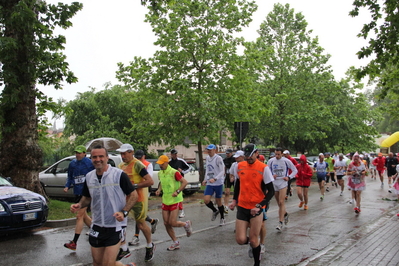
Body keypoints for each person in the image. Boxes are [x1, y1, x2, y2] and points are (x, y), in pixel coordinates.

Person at [70, 145, 138, 266]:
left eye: (101, 156)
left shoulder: (119, 175)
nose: (98, 159)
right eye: (95, 157)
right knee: (97, 262)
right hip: (96, 225)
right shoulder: (89, 177)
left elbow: (133, 195)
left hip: (115, 225)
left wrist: (124, 212)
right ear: (91, 159)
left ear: (107, 157)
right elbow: (87, 197)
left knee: (107, 264)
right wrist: (79, 205)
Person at [228, 144, 274, 266]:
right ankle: (254, 246)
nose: (248, 158)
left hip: (256, 208)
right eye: (246, 156)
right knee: (240, 239)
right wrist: (234, 200)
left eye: (250, 156)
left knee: (254, 240)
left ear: (256, 153)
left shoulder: (264, 168)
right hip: (242, 206)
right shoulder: (239, 166)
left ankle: (256, 261)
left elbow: (271, 191)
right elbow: (238, 185)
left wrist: (259, 206)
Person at [116, 144, 155, 262]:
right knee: (120, 222)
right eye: (121, 154)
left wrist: (134, 186)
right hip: (125, 199)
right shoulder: (120, 166)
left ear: (131, 152)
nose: (122, 156)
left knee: (141, 224)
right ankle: (123, 248)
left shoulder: (138, 164)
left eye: (125, 154)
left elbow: (150, 181)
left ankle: (150, 245)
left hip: (138, 199)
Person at [155, 155, 193, 251]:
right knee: (166, 223)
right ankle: (175, 242)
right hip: (166, 200)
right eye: (159, 164)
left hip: (175, 200)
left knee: (172, 222)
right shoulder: (160, 173)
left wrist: (178, 191)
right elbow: (161, 183)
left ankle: (186, 225)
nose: (160, 166)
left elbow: (184, 182)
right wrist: (159, 189)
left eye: (162, 164)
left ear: (167, 162)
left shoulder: (174, 172)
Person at [64, 145, 95, 251]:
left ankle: (74, 242)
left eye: (80, 152)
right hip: (77, 192)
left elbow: (96, 174)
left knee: (79, 216)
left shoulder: (89, 163)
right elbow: (70, 176)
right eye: (76, 152)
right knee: (84, 216)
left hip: (87, 193)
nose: (78, 154)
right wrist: (67, 186)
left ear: (85, 153)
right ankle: (97, 231)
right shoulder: (72, 163)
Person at [128, 149, 159, 246]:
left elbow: (149, 178)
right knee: (138, 215)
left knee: (139, 216)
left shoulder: (147, 164)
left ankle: (136, 236)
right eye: (136, 157)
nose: (138, 159)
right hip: (132, 192)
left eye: (140, 157)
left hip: (143, 192)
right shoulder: (132, 164)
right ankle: (152, 221)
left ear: (144, 157)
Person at [268, 147, 298, 231]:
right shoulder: (271, 161)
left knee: (281, 202)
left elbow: (295, 170)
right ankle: (285, 214)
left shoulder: (286, 161)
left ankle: (280, 222)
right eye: (275, 154)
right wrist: (271, 176)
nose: (276, 156)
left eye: (278, 154)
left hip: (283, 183)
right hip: (275, 183)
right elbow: (267, 171)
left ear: (282, 154)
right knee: (279, 204)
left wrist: (289, 177)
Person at [202, 144, 226, 226]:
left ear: (214, 150)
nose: (209, 151)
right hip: (210, 182)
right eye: (208, 149)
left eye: (210, 149)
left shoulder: (218, 158)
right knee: (206, 200)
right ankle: (215, 210)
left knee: (219, 201)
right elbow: (207, 170)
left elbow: (222, 171)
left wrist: (215, 178)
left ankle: (222, 217)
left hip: (218, 182)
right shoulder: (207, 158)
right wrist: (205, 179)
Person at [169, 148, 191, 218]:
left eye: (176, 154)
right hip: (172, 181)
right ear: (171, 155)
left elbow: (189, 168)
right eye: (173, 154)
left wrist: (182, 171)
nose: (175, 155)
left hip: (180, 181)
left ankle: (182, 211)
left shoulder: (181, 161)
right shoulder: (169, 162)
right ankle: (173, 210)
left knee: (179, 195)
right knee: (172, 195)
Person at [223, 148, 236, 214]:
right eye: (226, 153)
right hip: (228, 177)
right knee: (227, 192)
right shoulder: (225, 160)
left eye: (228, 153)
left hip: (234, 176)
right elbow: (224, 167)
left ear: (231, 153)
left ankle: (237, 204)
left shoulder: (234, 159)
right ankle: (225, 206)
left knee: (236, 191)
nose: (227, 154)